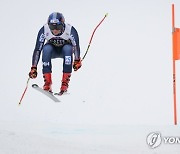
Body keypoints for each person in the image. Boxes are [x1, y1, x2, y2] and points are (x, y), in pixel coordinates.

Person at [29, 12, 82, 95]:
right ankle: (47, 83)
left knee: (68, 48)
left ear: (63, 25)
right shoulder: (44, 29)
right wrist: (34, 67)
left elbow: (76, 46)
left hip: (65, 51)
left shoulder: (70, 29)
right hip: (52, 51)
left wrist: (77, 59)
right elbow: (38, 49)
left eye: (58, 26)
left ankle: (64, 84)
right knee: (46, 49)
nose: (55, 30)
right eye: (52, 27)